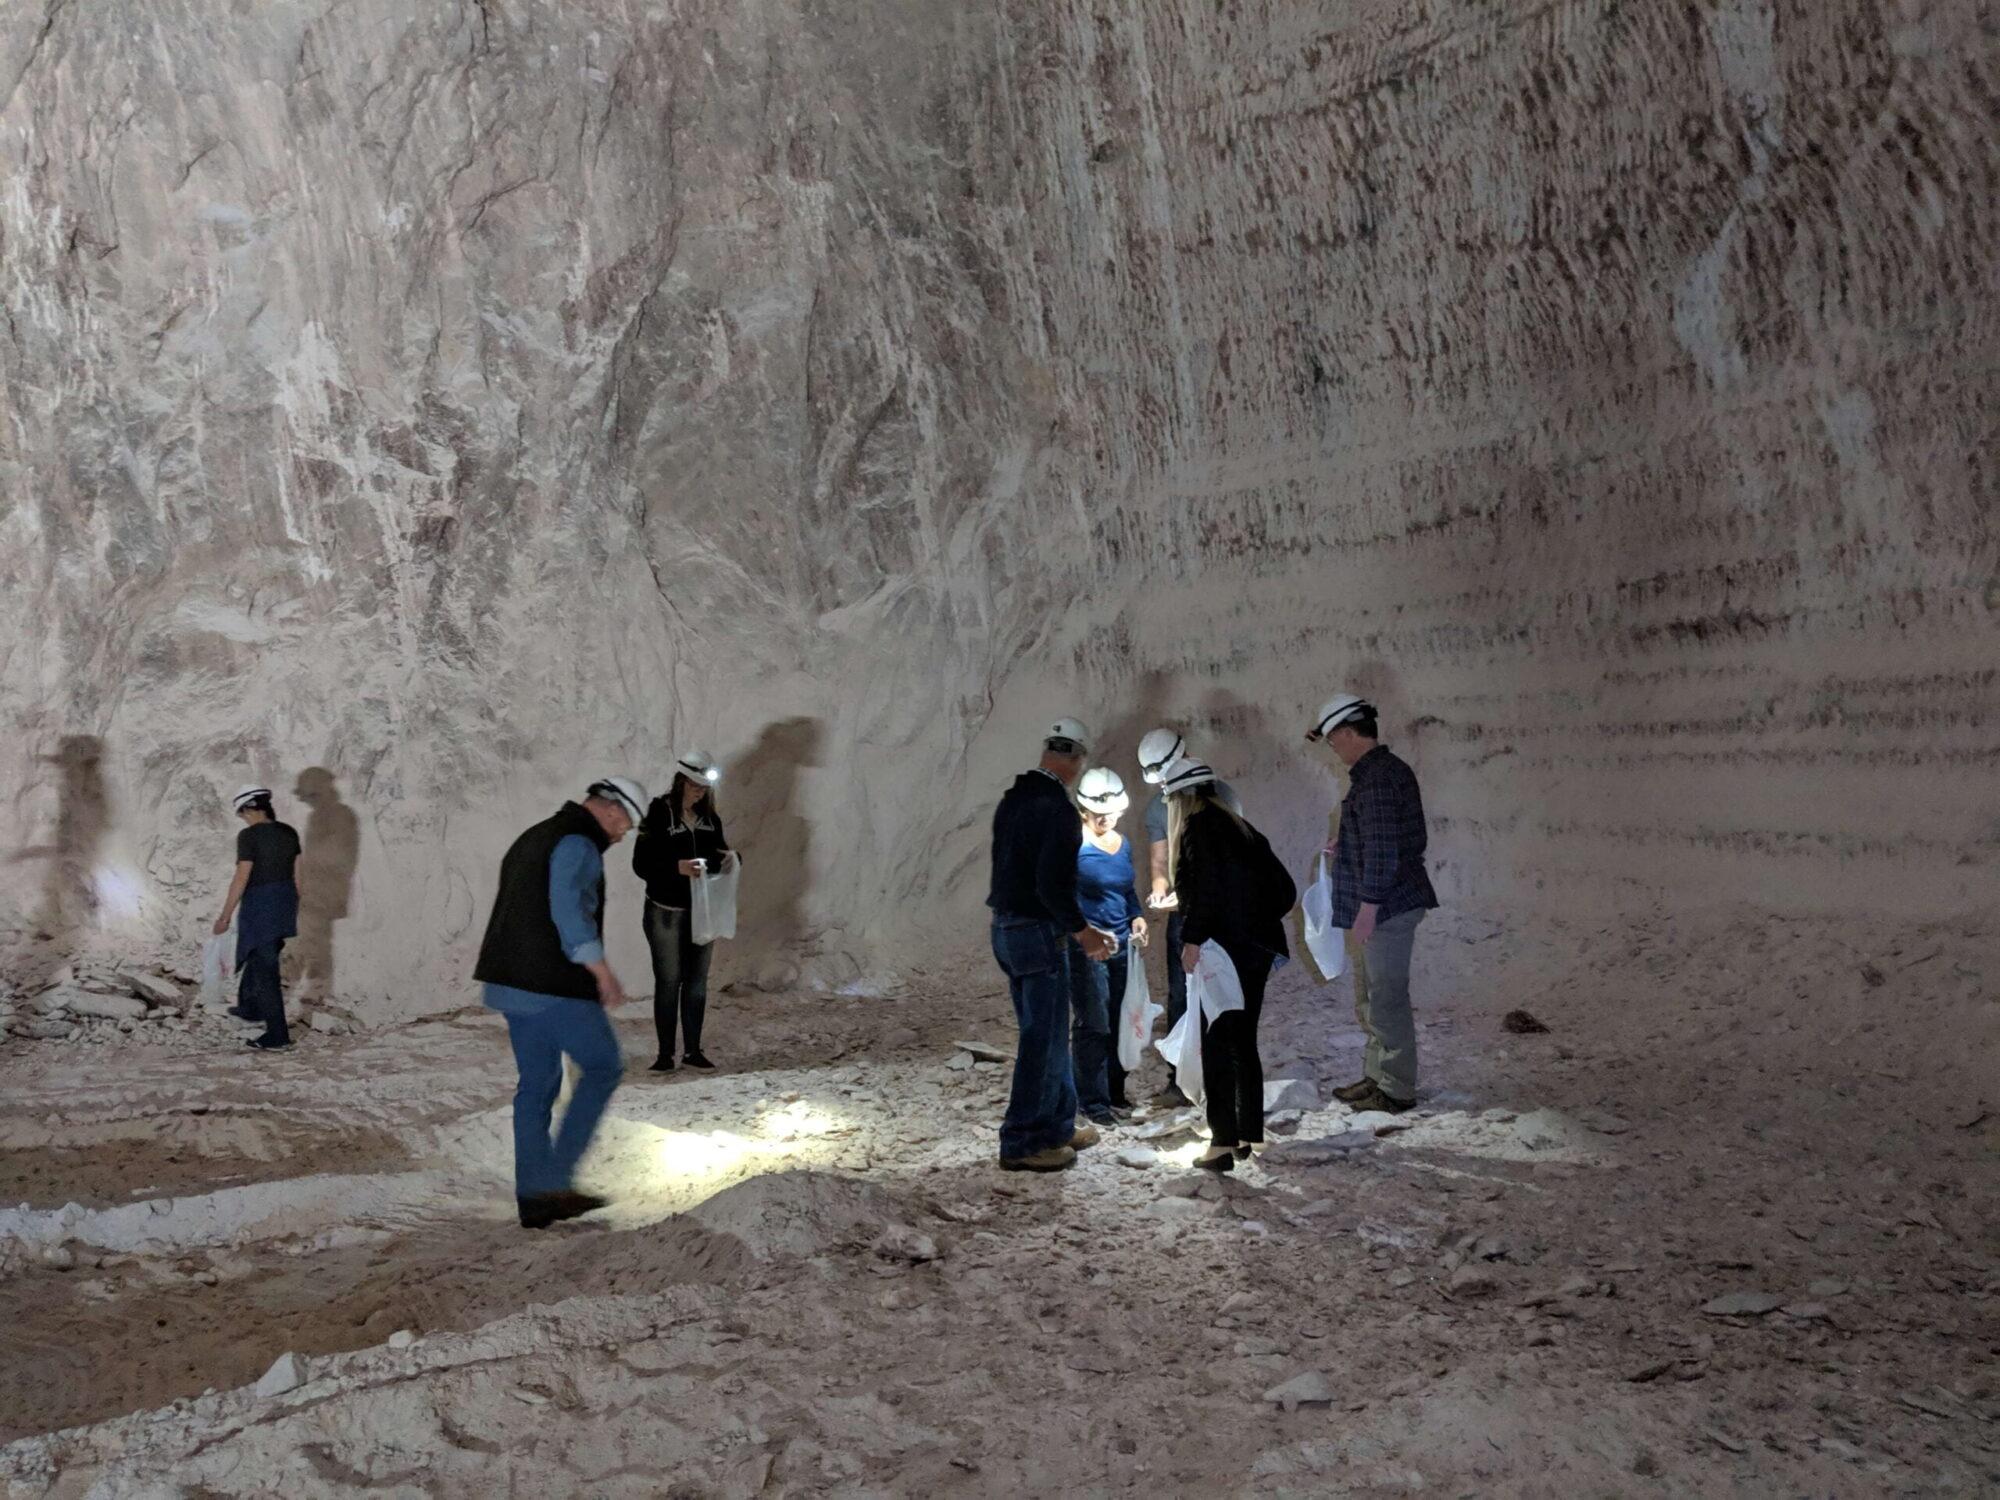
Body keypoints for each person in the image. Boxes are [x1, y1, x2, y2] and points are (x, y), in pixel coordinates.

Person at [474, 776, 647, 1229]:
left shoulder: (536, 834)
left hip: (510, 984)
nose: (622, 833)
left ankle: (533, 1196)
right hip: (552, 985)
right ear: (611, 810)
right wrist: (599, 967)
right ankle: (553, 1182)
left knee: (536, 1085)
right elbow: (567, 909)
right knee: (604, 1065)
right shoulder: (578, 844)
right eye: (625, 823)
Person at [987, 718, 1116, 1172]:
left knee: (1047, 1032)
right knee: (1042, 1040)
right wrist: (1084, 932)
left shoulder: (1014, 799)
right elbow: (1050, 884)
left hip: (1006, 929)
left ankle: (1056, 1126)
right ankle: (1022, 1142)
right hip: (1037, 932)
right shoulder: (1057, 809)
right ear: (1077, 761)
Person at [1306, 694, 1438, 1114]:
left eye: (1331, 741)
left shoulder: (1378, 778)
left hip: (1389, 906)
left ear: (1347, 733)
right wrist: (1347, 844)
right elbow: (1382, 837)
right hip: (1388, 902)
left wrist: (1369, 908)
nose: (1334, 749)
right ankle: (1378, 1075)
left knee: (1386, 997)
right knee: (1372, 994)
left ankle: (1396, 1088)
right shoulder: (1377, 773)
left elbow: (1384, 852)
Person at [1164, 757, 1292, 1171]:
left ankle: (1221, 1142)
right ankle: (1248, 1133)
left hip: (1224, 952)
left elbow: (1206, 889)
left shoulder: (1198, 828)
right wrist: (1254, 921)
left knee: (1217, 1042)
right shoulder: (1242, 828)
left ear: (1180, 798)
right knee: (1243, 1040)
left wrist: (1193, 938)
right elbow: (1284, 890)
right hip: (1256, 950)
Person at [1135, 727, 1242, 1108]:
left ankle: (1224, 1076)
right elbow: (1160, 861)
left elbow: (1233, 859)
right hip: (1187, 913)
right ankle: (1182, 1081)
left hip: (1222, 913)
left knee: (1223, 993)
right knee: (1182, 993)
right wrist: (1161, 889)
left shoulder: (1222, 797)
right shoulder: (1157, 809)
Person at [632, 751, 735, 1072]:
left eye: (704, 789)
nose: (699, 793)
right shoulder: (658, 813)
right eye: (694, 787)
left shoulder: (709, 820)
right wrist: (675, 867)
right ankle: (665, 1055)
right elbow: (641, 863)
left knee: (696, 982)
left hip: (700, 912)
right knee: (669, 980)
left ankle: (692, 1051)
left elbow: (715, 856)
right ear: (681, 782)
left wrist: (730, 859)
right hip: (666, 911)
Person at [1071, 767, 1148, 1127]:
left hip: (1122, 944)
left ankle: (1114, 1091)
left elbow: (1126, 890)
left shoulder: (1122, 843)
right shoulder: (1075, 847)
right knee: (1094, 1023)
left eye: (1112, 813)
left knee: (1120, 1018)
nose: (1107, 819)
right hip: (1089, 948)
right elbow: (1062, 896)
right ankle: (1092, 1101)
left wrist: (1137, 916)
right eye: (1099, 814)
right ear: (1084, 810)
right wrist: (1083, 932)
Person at [212, 785, 301, 1051]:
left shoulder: (248, 836)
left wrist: (225, 916)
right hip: (285, 900)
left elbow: (242, 877)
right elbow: (298, 875)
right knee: (259, 954)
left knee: (265, 970)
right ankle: (250, 1007)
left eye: (243, 813)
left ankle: (278, 1035)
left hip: (261, 903)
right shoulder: (289, 832)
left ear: (252, 807)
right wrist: (295, 906)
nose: (243, 819)